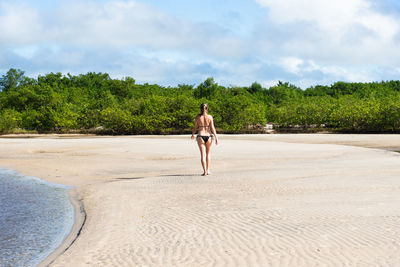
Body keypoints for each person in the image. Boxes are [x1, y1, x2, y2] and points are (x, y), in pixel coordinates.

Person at [191, 103, 219, 176]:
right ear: (207, 108)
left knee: (202, 155)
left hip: (200, 136)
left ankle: (204, 171)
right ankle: (208, 170)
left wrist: (193, 134)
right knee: (208, 154)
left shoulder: (197, 117)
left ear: (200, 108)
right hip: (209, 136)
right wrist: (216, 137)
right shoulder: (210, 117)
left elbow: (195, 127)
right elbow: (212, 128)